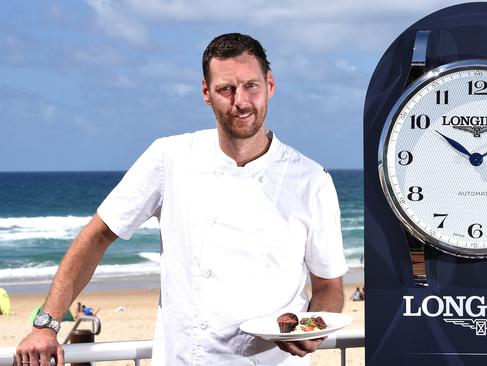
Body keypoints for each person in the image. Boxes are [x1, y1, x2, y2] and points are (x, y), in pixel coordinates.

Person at [15, 33, 348, 366]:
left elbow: (329, 284)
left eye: (251, 86)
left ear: (270, 85)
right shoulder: (169, 157)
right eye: (225, 89)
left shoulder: (311, 179)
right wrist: (46, 324)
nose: (241, 102)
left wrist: (313, 328)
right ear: (206, 92)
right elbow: (98, 235)